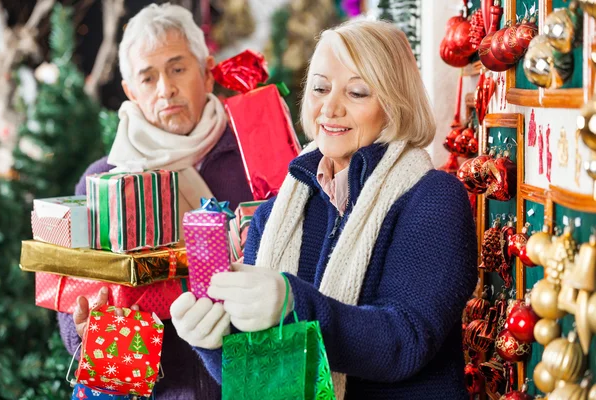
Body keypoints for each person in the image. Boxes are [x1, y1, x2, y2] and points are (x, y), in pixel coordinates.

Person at [170, 20, 478, 399]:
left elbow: (405, 340)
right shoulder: (274, 216)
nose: (330, 107)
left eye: (357, 92)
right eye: (319, 88)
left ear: (395, 103)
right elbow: (263, 378)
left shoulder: (432, 198)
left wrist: (293, 304)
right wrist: (213, 341)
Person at [58, 3, 253, 398]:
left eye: (178, 69)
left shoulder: (256, 160)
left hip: (254, 378)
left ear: (208, 72)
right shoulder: (102, 181)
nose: (166, 88)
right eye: (148, 78)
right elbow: (73, 298)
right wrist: (85, 331)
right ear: (131, 92)